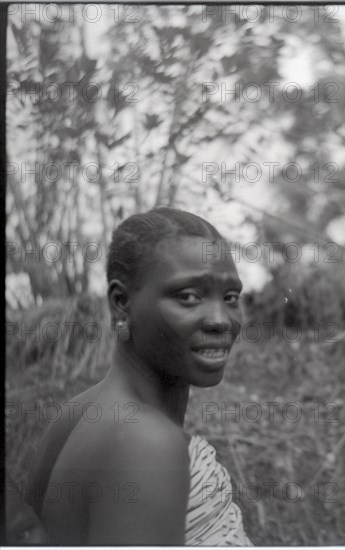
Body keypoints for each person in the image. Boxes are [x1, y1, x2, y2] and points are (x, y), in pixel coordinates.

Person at [25, 207, 253, 545]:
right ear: (121, 302)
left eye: (231, 297)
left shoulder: (76, 412)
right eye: (188, 296)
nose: (221, 319)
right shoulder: (148, 444)